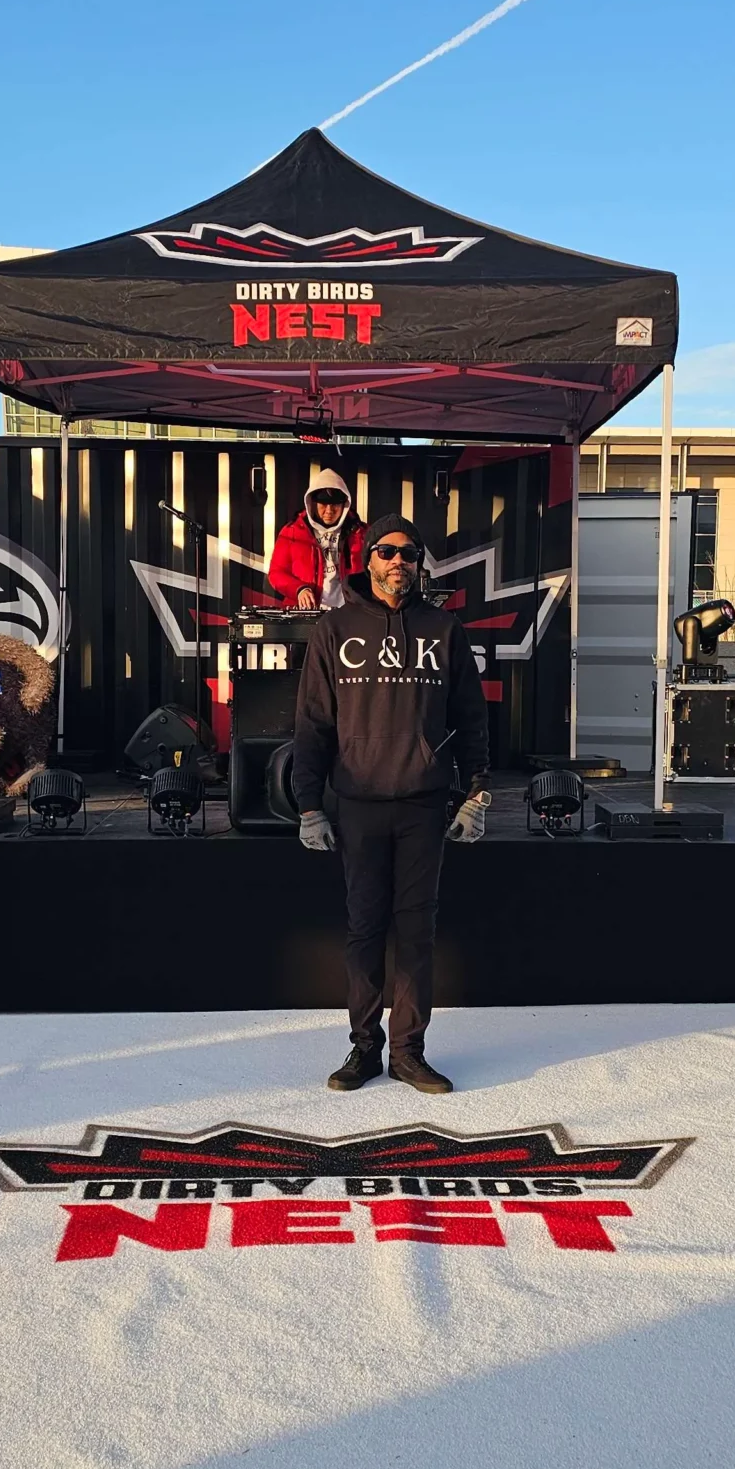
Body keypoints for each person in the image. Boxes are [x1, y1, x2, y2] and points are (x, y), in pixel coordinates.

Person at [291, 513, 491, 1095]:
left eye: (409, 551)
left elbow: (472, 719)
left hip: (424, 804)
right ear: (368, 559)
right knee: (364, 930)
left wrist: (477, 793)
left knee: (416, 932)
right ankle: (364, 1049)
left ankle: (408, 1053)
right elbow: (312, 724)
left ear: (419, 562)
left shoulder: (444, 629)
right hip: (358, 803)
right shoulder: (334, 629)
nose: (398, 560)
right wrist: (308, 805)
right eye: (386, 551)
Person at [267, 468, 365, 609]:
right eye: (323, 504)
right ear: (312, 503)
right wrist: (299, 589)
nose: (329, 510)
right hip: (306, 613)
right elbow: (276, 573)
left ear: (345, 505)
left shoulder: (361, 533)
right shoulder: (292, 532)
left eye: (335, 504)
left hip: (350, 613)